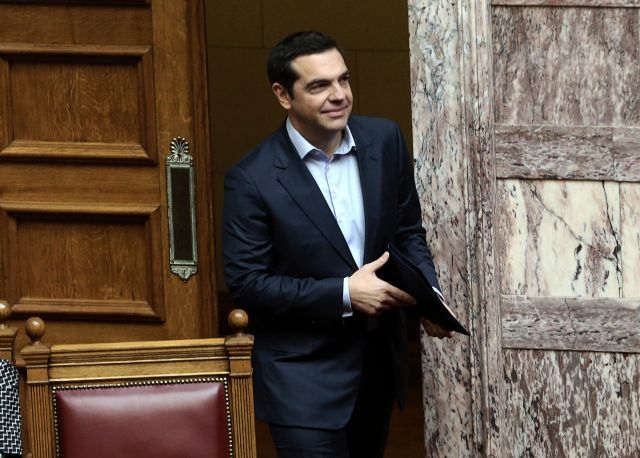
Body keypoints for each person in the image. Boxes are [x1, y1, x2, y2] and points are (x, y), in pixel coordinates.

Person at [223, 30, 452, 458]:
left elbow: (406, 232)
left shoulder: (384, 141)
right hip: (301, 377)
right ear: (283, 95)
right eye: (319, 85)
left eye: (343, 79)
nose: (339, 95)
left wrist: (428, 296)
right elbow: (248, 284)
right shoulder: (251, 179)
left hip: (375, 367)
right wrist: (345, 293)